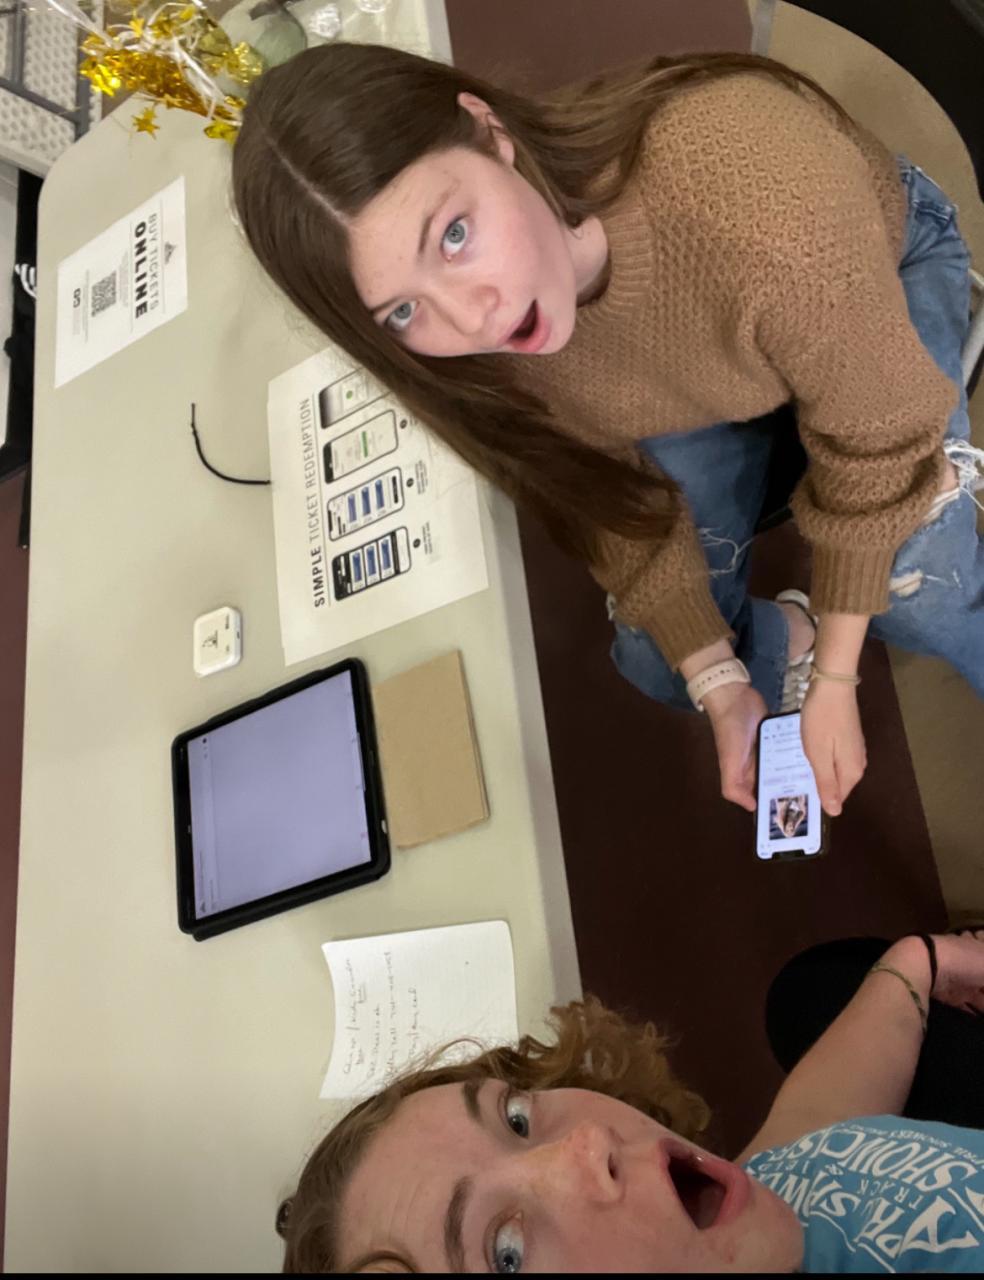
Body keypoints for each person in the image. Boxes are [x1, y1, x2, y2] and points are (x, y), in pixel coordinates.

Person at [231, 44, 984, 817]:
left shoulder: (755, 190)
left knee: (918, 584)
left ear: (489, 130)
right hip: (709, 375)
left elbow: (879, 433)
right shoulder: (479, 349)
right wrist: (720, 683)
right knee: (665, 658)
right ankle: (791, 629)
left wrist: (836, 676)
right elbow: (602, 498)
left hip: (869, 277)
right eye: (401, 310)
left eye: (453, 234)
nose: (474, 318)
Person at [276, 928, 984, 1272]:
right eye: (507, 1254)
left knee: (807, 989)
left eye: (516, 1118)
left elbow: (809, 1135)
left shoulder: (738, 1216)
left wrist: (916, 963)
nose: (585, 1143)